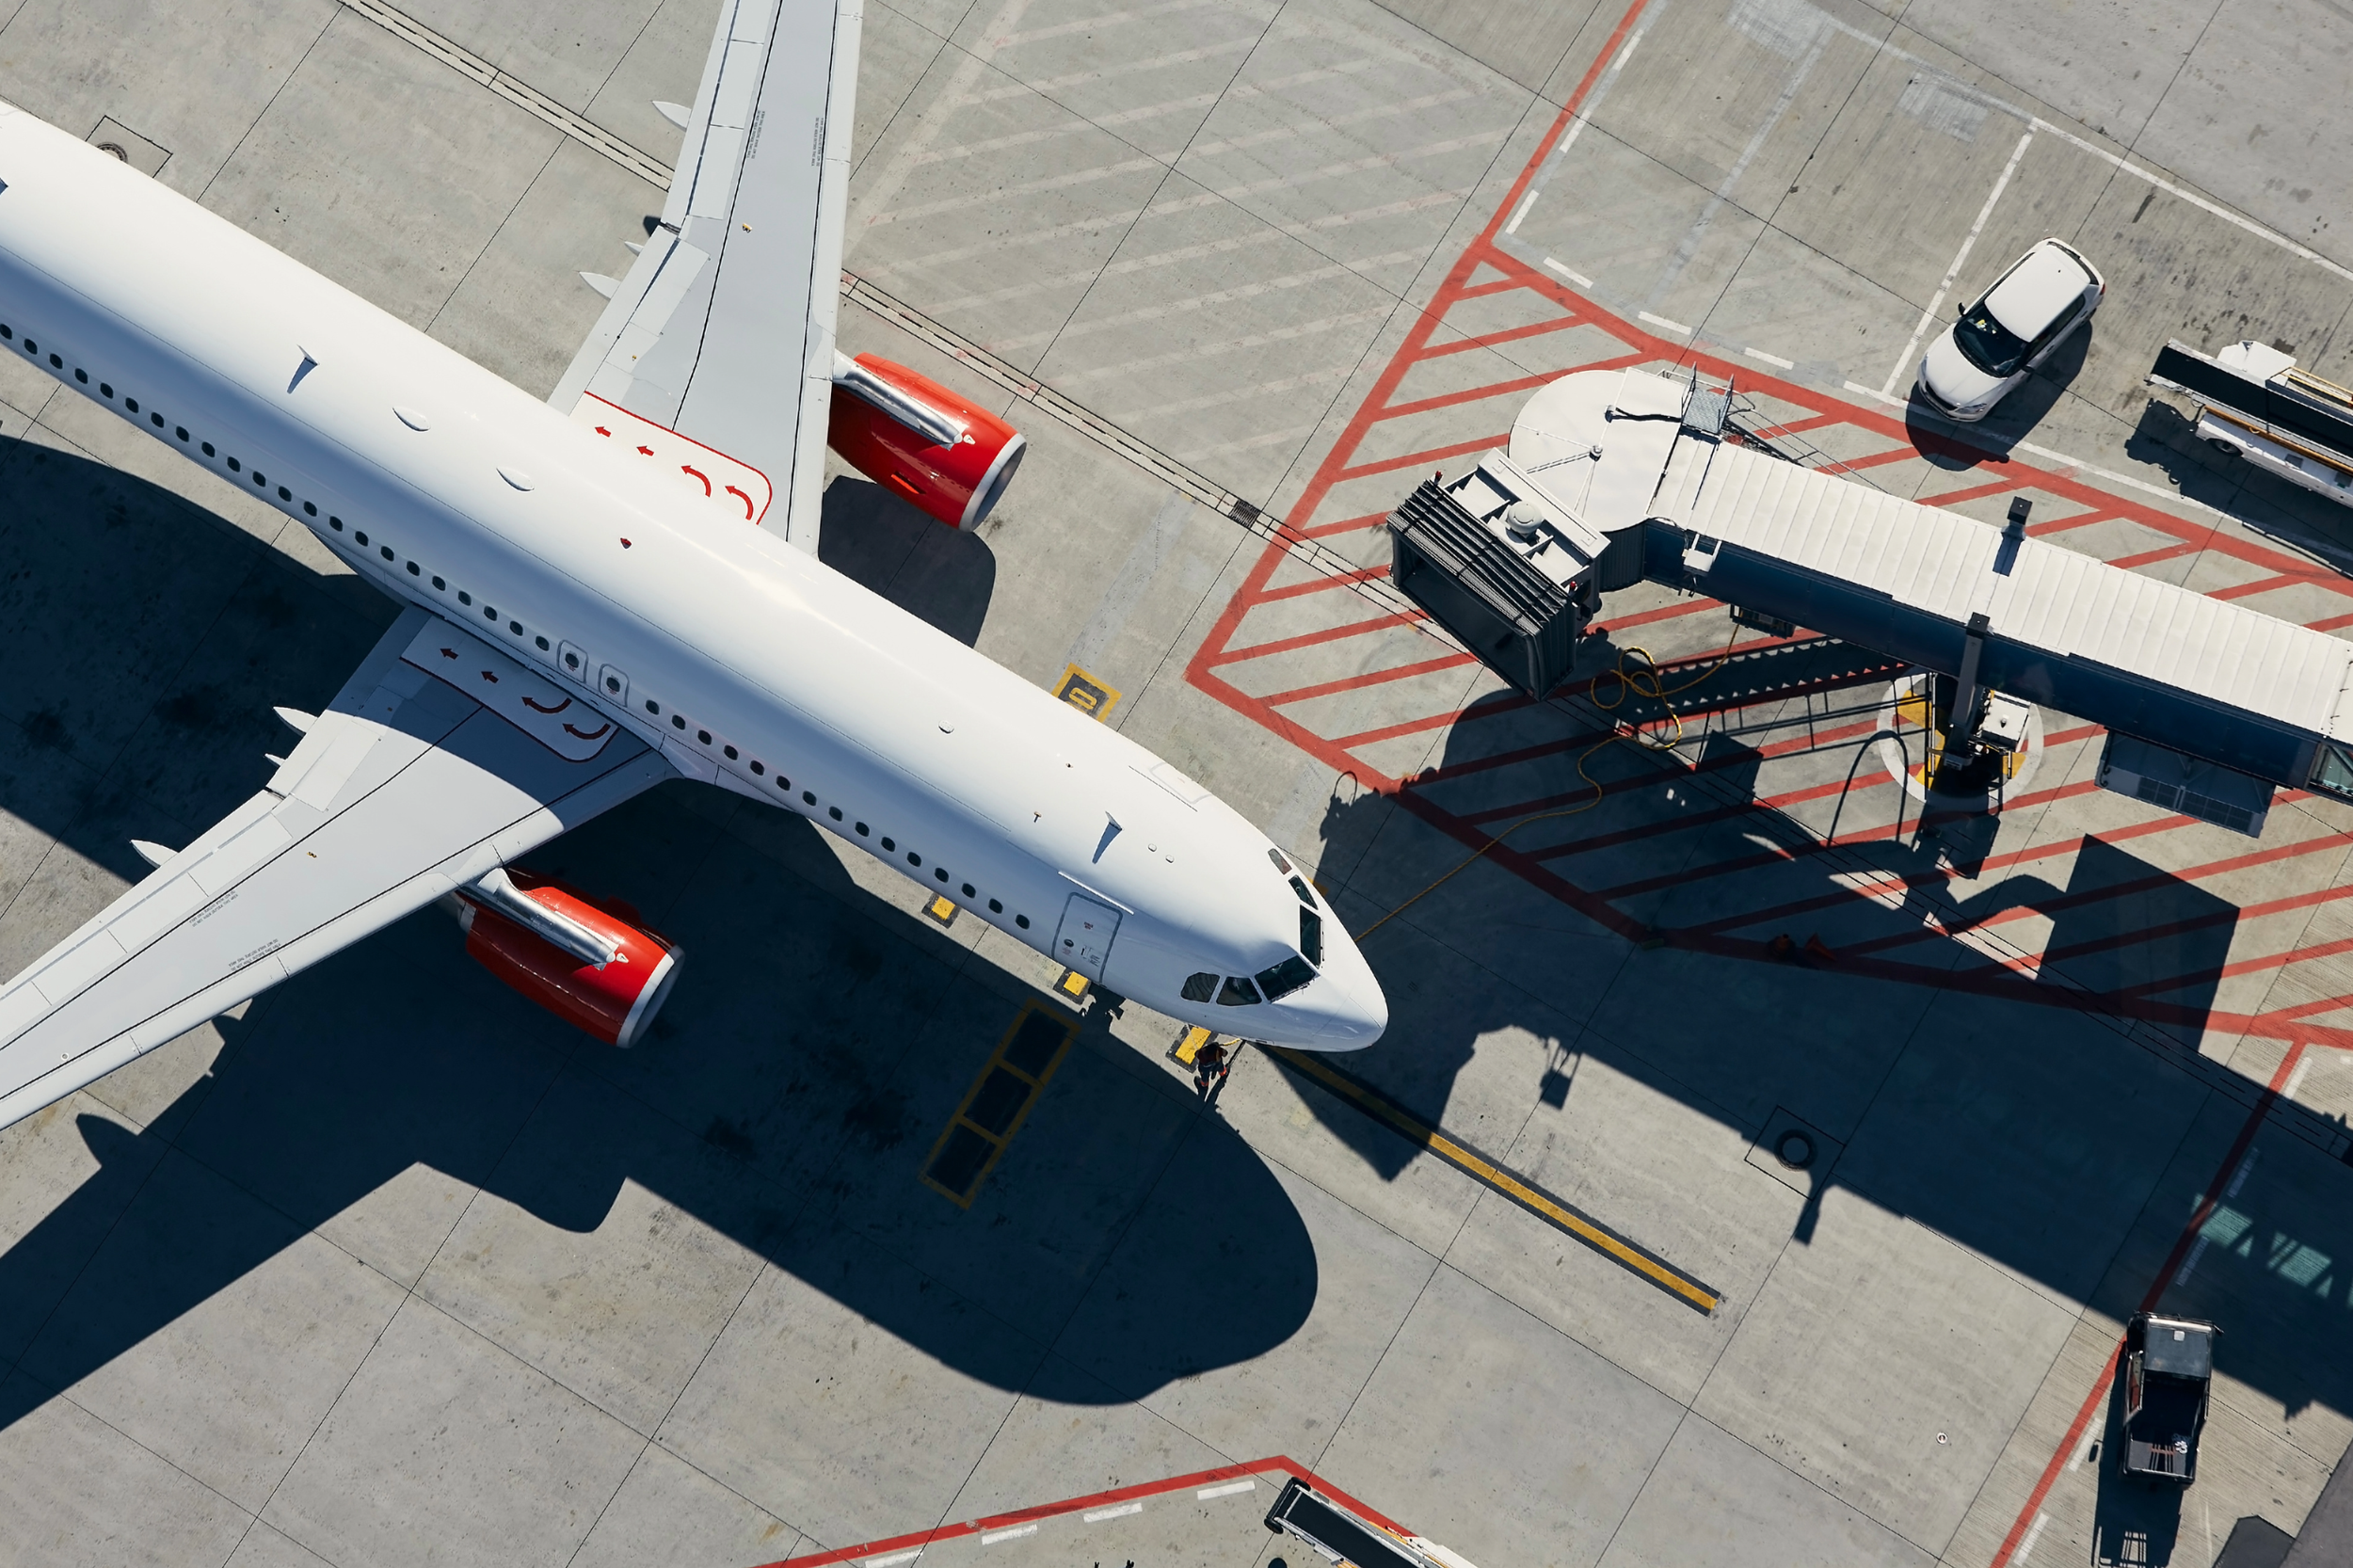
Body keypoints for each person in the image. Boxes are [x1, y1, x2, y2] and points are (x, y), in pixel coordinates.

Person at [1194, 1038, 1231, 1107]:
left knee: (1205, 1076)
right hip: (1217, 1064)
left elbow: (1196, 1054)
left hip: (1205, 1068)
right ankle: (1224, 1074)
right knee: (1221, 1068)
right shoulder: (1218, 1052)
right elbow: (1225, 1053)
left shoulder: (1203, 1053)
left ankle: (1204, 1086)